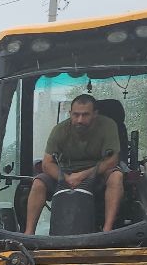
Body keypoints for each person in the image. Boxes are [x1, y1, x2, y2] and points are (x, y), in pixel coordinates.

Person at [25, 93, 124, 234]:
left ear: (95, 114)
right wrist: (65, 177)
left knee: (116, 177)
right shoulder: (59, 130)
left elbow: (112, 160)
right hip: (65, 174)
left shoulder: (108, 126)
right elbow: (47, 164)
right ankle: (29, 234)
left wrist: (83, 175)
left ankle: (107, 230)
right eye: (76, 115)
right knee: (38, 183)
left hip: (98, 175)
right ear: (70, 113)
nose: (79, 120)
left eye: (85, 115)